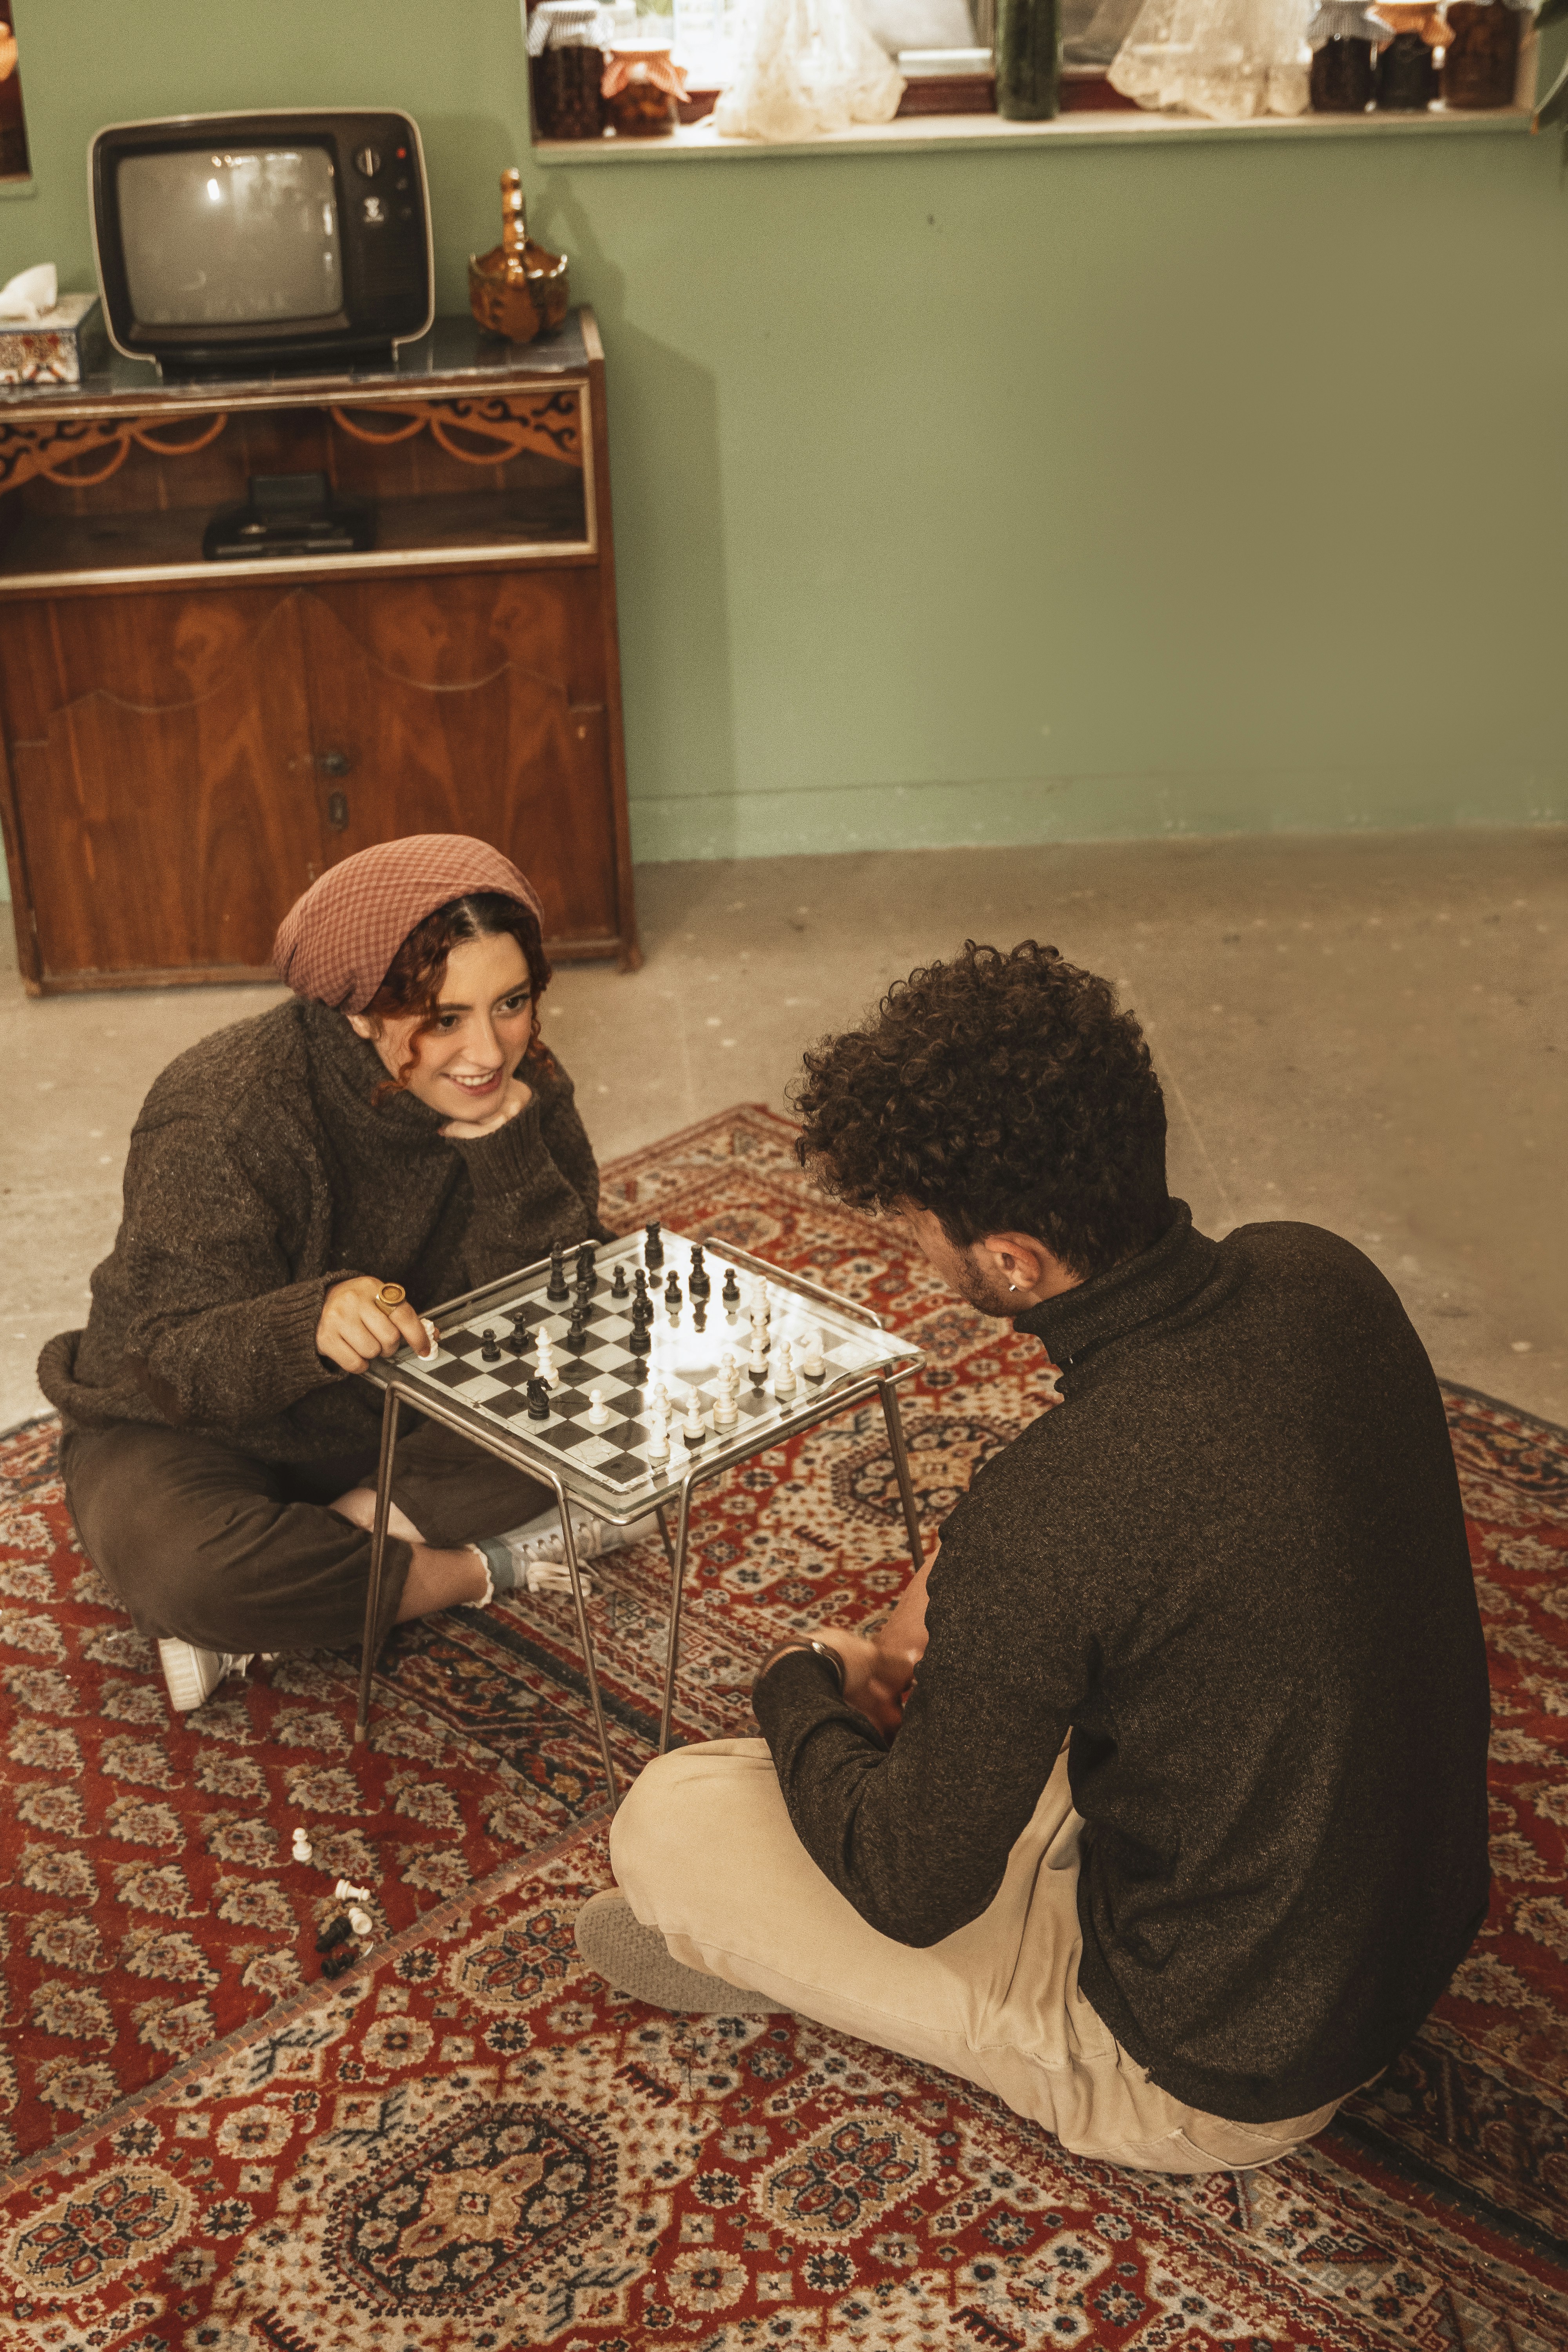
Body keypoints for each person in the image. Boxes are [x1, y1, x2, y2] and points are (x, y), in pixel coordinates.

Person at [578, 939, 1492, 2176]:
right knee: (1036, 1696)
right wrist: (973, 1588)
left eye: (913, 1225)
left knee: (675, 1822)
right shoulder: (1319, 1270)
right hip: (1398, 1938)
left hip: (1209, 2070)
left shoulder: (1055, 1512)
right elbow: (1161, 1518)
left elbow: (912, 1886)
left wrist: (803, 1676)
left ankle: (781, 1950)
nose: (910, 1251)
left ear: (1011, 1261)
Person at [42, 833, 627, 1714]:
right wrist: (309, 1321)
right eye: (441, 1018)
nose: (486, 1052)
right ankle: (485, 1568)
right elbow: (168, 1359)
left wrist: (508, 1161)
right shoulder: (222, 1109)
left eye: (510, 1003)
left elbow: (555, 1321)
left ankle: (321, 1577)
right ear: (360, 1011)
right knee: (189, 1570)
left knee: (632, 1383)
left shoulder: (525, 1083)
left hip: (410, 1411)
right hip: (191, 1427)